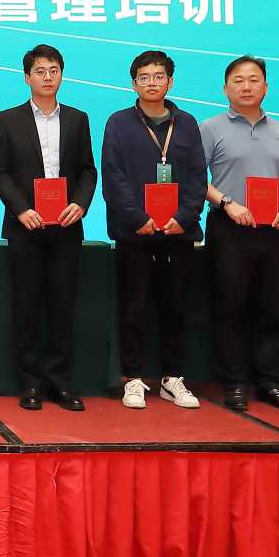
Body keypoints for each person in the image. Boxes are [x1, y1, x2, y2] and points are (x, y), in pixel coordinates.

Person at [0, 44, 98, 412]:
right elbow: (0, 172)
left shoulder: (78, 119)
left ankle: (61, 383)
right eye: (40, 71)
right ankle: (31, 383)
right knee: (27, 308)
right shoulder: (8, 119)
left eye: (53, 70)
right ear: (27, 77)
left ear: (61, 75)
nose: (47, 77)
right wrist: (21, 209)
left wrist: (80, 204)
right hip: (26, 227)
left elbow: (87, 170)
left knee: (63, 308)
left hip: (66, 226)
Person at [101, 50, 209, 410]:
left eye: (158, 76)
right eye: (144, 77)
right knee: (133, 308)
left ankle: (172, 378)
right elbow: (113, 177)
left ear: (170, 82)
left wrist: (185, 216)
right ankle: (132, 378)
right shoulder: (118, 123)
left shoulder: (187, 123)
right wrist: (138, 218)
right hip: (135, 233)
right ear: (134, 83)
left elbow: (198, 175)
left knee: (175, 307)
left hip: (178, 232)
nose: (151, 83)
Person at [200, 56, 279, 413]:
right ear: (225, 89)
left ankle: (270, 382)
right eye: (239, 80)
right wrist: (227, 203)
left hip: (271, 229)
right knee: (231, 307)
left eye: (254, 79)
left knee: (269, 307)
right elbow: (196, 178)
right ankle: (234, 382)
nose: (246, 86)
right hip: (229, 227)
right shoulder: (210, 128)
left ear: (266, 87)